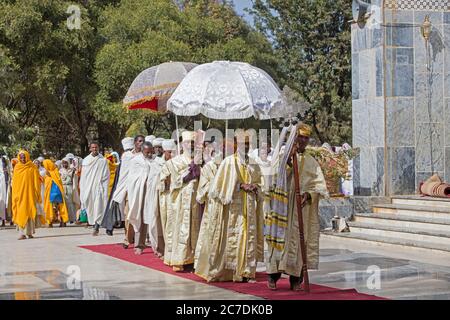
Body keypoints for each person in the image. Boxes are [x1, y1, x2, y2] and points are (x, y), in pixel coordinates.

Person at [265, 124, 328, 291]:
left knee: (300, 243)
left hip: (302, 208)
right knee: (281, 240)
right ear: (294, 138)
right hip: (283, 206)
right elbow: (273, 177)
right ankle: (273, 276)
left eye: (306, 138)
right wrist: (288, 162)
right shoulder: (283, 156)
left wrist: (308, 195)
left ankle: (295, 279)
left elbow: (319, 186)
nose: (303, 141)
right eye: (300, 137)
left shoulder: (312, 162)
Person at [194, 130, 263, 282]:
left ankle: (246, 271)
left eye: (248, 144)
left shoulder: (253, 163)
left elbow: (260, 182)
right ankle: (231, 271)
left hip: (249, 206)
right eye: (243, 144)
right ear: (237, 145)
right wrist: (239, 186)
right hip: (233, 209)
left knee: (248, 238)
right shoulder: (229, 162)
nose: (245, 147)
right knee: (234, 238)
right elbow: (218, 188)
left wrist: (255, 187)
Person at [162, 131, 202, 272]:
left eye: (193, 143)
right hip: (179, 201)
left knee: (195, 228)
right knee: (180, 229)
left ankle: (193, 259)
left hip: (196, 200)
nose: (190, 146)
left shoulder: (200, 161)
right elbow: (166, 184)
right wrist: (186, 176)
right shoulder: (174, 162)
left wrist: (198, 171)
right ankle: (178, 259)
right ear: (182, 144)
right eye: (188, 143)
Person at [126, 142, 162, 255]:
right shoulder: (136, 161)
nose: (150, 154)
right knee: (141, 218)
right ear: (142, 151)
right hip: (141, 193)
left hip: (153, 193)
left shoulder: (156, 161)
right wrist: (144, 181)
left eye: (151, 151)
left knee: (153, 218)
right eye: (147, 152)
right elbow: (133, 178)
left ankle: (157, 246)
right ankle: (139, 245)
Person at [114, 136, 144, 246]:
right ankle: (127, 238)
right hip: (129, 190)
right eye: (139, 141)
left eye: (143, 141)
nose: (141, 143)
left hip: (140, 189)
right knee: (128, 213)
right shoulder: (127, 156)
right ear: (135, 143)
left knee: (140, 214)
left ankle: (139, 238)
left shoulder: (144, 155)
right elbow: (123, 174)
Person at [79, 142, 110, 236]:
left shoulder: (103, 160)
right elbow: (84, 176)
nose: (94, 149)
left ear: (98, 148)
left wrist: (103, 187)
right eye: (93, 147)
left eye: (96, 147)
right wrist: (82, 187)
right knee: (90, 206)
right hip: (88, 188)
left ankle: (96, 226)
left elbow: (106, 175)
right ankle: (93, 223)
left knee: (98, 207)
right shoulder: (86, 160)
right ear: (90, 149)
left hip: (98, 187)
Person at [11, 150, 41, 240]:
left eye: (24, 157)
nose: (23, 159)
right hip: (19, 195)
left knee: (29, 212)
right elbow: (15, 183)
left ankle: (29, 233)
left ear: (27, 157)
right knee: (21, 212)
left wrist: (37, 193)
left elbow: (36, 181)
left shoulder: (32, 167)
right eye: (21, 157)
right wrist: (15, 195)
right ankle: (22, 233)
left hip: (30, 195)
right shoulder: (17, 167)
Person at [42, 159, 69, 227]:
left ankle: (52, 222)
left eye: (45, 165)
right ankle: (59, 222)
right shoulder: (55, 171)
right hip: (56, 192)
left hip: (53, 193)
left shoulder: (51, 172)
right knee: (59, 207)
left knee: (53, 207)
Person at [60, 158, 77, 223]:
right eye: (63, 163)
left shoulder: (71, 170)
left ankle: (71, 218)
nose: (65, 164)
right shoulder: (60, 170)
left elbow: (73, 179)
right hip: (63, 187)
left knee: (70, 203)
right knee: (63, 204)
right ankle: (63, 219)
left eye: (66, 163)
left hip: (69, 187)